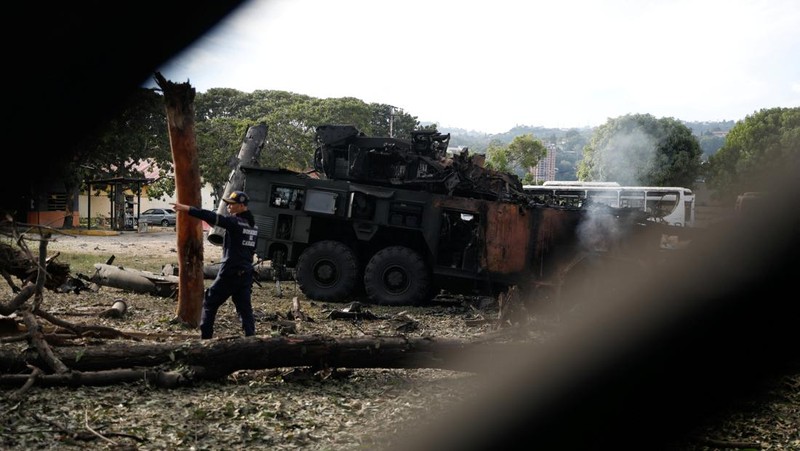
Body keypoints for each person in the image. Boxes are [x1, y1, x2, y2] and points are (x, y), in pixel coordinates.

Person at [171, 190, 258, 339]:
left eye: (232, 205)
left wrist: (186, 209)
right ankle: (252, 340)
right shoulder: (253, 227)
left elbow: (211, 216)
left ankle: (206, 340)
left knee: (209, 303)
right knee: (245, 310)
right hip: (245, 275)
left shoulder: (234, 222)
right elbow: (249, 249)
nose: (228, 207)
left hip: (230, 273)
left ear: (242, 206)